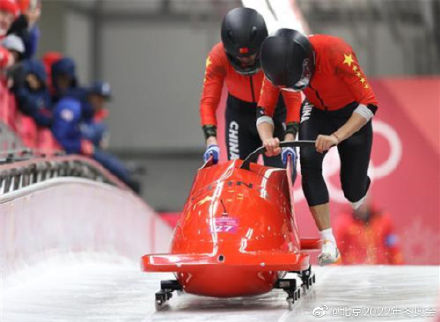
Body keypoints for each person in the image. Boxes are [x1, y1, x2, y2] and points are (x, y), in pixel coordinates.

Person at [256, 29, 378, 265]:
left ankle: (359, 186)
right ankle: (328, 242)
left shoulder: (336, 51)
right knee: (309, 162)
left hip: (352, 113)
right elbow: (264, 111)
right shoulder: (275, 67)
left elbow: (369, 103)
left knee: (354, 192)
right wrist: (267, 138)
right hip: (316, 111)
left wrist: (337, 136)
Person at [200, 8, 301, 169]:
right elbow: (208, 101)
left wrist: (289, 138)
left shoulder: (278, 54)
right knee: (238, 171)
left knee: (281, 171)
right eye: (239, 57)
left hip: (275, 113)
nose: (245, 61)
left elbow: (294, 100)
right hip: (239, 116)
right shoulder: (217, 56)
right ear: (228, 50)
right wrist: (211, 140)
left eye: (251, 55)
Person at [51, 82, 140, 193]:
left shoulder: (88, 114)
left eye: (103, 100)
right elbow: (59, 138)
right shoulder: (72, 106)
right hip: (60, 157)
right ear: (91, 96)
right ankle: (126, 178)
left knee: (102, 155)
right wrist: (80, 146)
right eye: (99, 99)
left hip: (77, 155)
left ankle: (126, 173)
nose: (101, 104)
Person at [334, 200, 404, 265]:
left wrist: (400, 270)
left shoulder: (383, 220)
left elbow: (393, 248)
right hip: (355, 272)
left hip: (380, 270)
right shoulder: (344, 223)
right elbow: (337, 252)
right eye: (358, 202)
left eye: (364, 200)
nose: (362, 205)